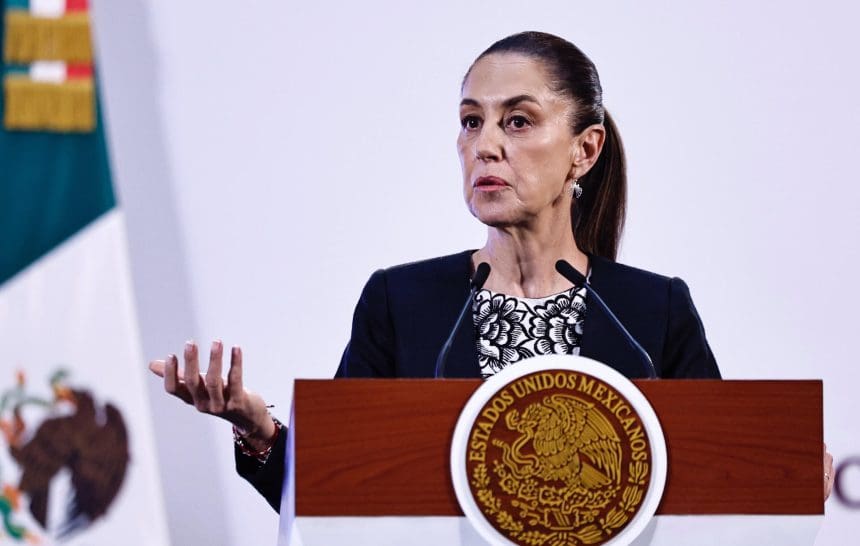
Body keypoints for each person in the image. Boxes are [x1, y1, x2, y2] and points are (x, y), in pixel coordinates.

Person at [148, 31, 834, 512]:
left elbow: (717, 488)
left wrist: (785, 479)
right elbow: (335, 495)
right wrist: (258, 429)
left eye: (519, 120)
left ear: (584, 150)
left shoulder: (651, 312)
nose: (487, 146)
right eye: (471, 121)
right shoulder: (404, 301)